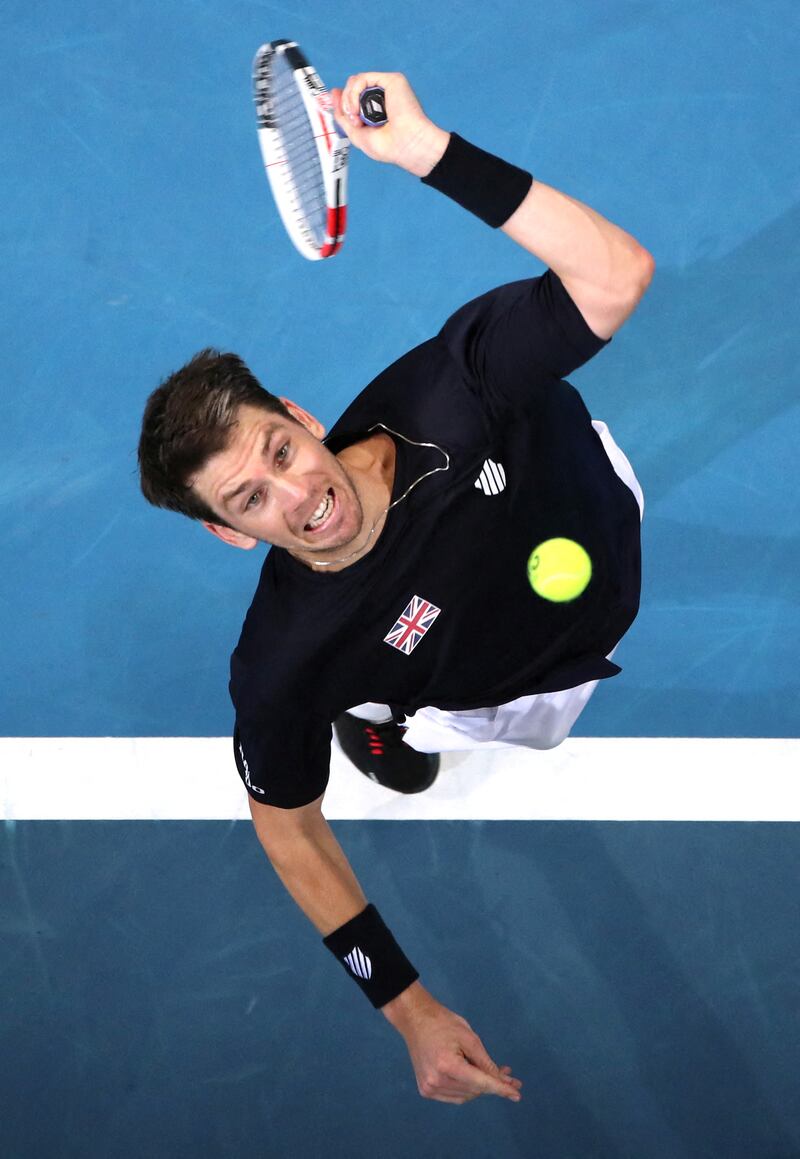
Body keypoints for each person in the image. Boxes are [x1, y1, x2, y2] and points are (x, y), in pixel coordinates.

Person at [137, 71, 654, 1106]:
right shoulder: (285, 662)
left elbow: (614, 274)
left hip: (599, 520)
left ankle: (379, 701)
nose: (299, 493)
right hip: (498, 694)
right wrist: (407, 1007)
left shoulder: (452, 389)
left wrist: (426, 151)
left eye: (281, 448)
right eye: (249, 498)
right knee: (384, 695)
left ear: (294, 410)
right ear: (226, 534)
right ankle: (375, 720)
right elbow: (286, 824)